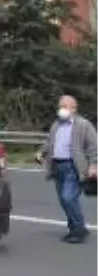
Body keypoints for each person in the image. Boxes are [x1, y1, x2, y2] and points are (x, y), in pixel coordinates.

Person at [35, 94, 98, 244]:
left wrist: (94, 164)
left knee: (68, 197)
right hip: (57, 166)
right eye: (60, 106)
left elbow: (93, 146)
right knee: (64, 200)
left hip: (73, 166)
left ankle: (79, 229)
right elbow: (50, 142)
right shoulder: (56, 124)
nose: (61, 109)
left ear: (73, 108)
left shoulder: (83, 125)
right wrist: (41, 153)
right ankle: (74, 229)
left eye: (64, 106)